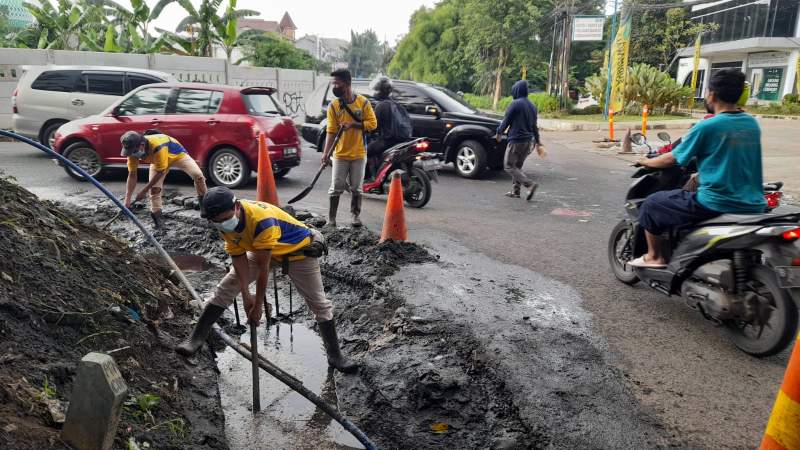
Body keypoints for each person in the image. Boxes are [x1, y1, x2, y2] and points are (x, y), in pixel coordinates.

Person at [175, 187, 357, 373]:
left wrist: (258, 307)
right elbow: (238, 258)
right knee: (226, 289)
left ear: (237, 207)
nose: (222, 223)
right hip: (259, 250)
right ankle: (196, 339)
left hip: (299, 253)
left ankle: (335, 356)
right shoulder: (221, 222)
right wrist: (246, 298)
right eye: (217, 221)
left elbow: (264, 267)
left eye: (225, 219)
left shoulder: (261, 220)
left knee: (319, 304)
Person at [629, 69, 765, 268]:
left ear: (711, 94)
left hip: (716, 202)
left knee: (651, 203)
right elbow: (731, 158)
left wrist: (645, 161)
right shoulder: (751, 123)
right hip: (754, 203)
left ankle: (654, 257)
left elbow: (672, 159)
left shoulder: (709, 126)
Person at [320, 69, 378, 228]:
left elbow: (373, 124)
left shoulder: (363, 103)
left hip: (359, 153)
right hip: (339, 154)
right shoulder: (334, 106)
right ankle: (331, 219)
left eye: (337, 83)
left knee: (356, 189)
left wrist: (353, 124)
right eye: (333, 84)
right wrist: (326, 154)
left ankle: (355, 216)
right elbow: (330, 132)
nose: (335, 87)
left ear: (347, 83)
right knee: (336, 188)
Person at [121, 131, 207, 229]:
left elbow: (160, 172)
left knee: (198, 175)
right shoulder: (132, 152)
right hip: (157, 160)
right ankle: (159, 221)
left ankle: (204, 204)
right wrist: (127, 199)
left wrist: (143, 191)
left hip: (177, 155)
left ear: (142, 145)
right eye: (130, 151)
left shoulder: (157, 146)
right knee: (154, 189)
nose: (132, 154)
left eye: (133, 151)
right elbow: (132, 175)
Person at [496, 80, 541, 200]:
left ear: (516, 90)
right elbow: (534, 126)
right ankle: (516, 191)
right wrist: (538, 142)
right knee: (517, 167)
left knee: (509, 166)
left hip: (516, 140)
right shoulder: (532, 106)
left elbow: (507, 120)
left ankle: (530, 185)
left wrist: (499, 132)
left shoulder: (515, 103)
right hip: (528, 142)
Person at [366, 76, 412, 178]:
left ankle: (369, 177)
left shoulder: (381, 106)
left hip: (388, 141)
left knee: (365, 152)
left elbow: (374, 126)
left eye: (376, 89)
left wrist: (367, 131)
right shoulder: (397, 104)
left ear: (379, 91)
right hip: (403, 141)